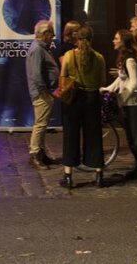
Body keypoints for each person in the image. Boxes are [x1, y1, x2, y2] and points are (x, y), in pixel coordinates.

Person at [59, 25, 107, 188]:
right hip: (92, 98)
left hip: (74, 98)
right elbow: (102, 81)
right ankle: (99, 174)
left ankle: (68, 176)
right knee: (94, 135)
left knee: (70, 135)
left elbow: (63, 76)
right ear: (92, 40)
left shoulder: (69, 56)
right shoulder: (99, 57)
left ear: (76, 39)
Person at [101, 29, 137, 179]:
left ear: (123, 42)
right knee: (131, 136)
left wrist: (123, 97)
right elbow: (121, 79)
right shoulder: (124, 58)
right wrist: (107, 89)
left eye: (116, 38)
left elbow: (134, 82)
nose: (113, 41)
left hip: (133, 103)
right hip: (127, 103)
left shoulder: (130, 60)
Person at [25, 20, 59, 170]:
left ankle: (41, 153)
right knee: (40, 124)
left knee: (43, 124)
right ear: (45, 34)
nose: (53, 36)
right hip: (41, 93)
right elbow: (36, 75)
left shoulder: (41, 48)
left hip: (44, 92)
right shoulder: (37, 49)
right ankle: (35, 155)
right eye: (51, 33)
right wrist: (45, 91)